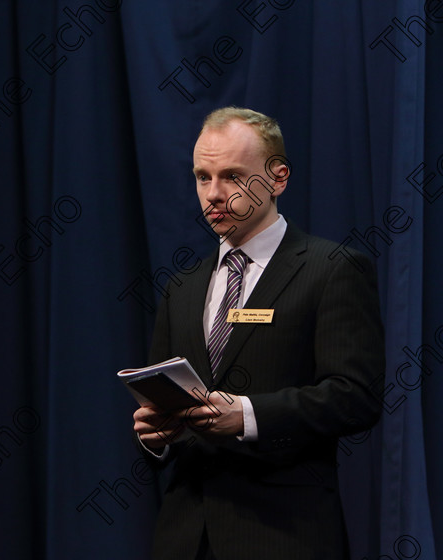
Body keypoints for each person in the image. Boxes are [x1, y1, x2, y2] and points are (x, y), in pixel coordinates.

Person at [132, 107, 385, 560]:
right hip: (186, 538)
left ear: (278, 178)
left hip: (285, 534)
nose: (213, 194)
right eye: (202, 177)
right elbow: (164, 401)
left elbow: (355, 397)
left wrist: (248, 415)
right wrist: (156, 435)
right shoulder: (183, 286)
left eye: (231, 176)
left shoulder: (332, 271)